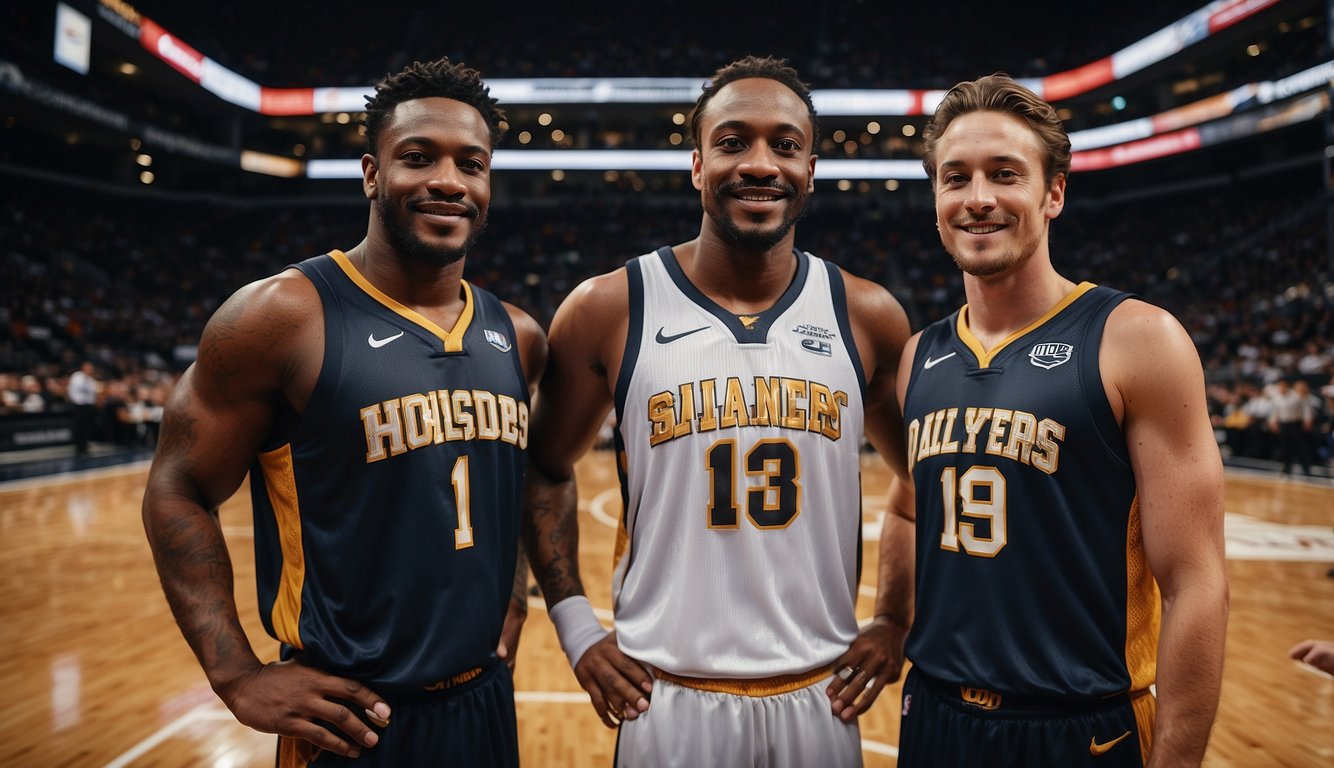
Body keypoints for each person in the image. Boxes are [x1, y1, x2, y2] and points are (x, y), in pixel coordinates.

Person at [141, 57, 546, 767]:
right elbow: (178, 488)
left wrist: (514, 591)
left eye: (470, 164)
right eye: (417, 158)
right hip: (349, 720)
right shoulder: (280, 317)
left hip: (485, 700)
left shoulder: (518, 334)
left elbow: (511, 484)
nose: (448, 181)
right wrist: (234, 672)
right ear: (370, 173)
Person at [522, 56, 912, 767]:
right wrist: (576, 626)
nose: (760, 164)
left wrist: (893, 617)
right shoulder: (608, 308)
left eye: (785, 145)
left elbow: (923, 475)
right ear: (698, 165)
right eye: (733, 142)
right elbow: (541, 466)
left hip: (820, 697)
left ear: (812, 169)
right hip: (668, 697)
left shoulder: (869, 315)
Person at [884, 73, 1229, 767]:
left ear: (1053, 194)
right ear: (936, 202)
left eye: (1005, 174)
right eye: (956, 179)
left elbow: (1197, 582)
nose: (978, 198)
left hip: (1082, 727)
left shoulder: (1137, 340)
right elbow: (907, 509)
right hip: (934, 718)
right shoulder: (919, 354)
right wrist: (892, 617)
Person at [67, 360, 98, 454]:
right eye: (88, 368)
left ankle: (84, 446)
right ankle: (79, 447)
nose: (90, 370)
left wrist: (92, 404)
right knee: (79, 427)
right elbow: (72, 390)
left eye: (91, 369)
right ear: (83, 368)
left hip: (88, 406)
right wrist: (75, 402)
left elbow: (93, 394)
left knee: (86, 427)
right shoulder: (76, 376)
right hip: (78, 405)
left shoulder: (91, 380)